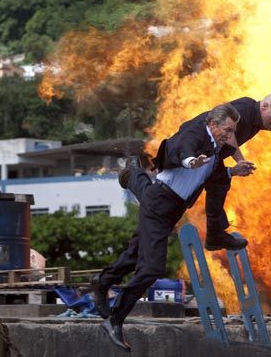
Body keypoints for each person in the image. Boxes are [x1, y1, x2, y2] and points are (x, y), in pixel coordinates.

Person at [95, 103, 253, 350]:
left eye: (233, 131)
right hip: (160, 204)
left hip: (170, 209)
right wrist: (191, 161)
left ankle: (102, 281)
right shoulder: (197, 134)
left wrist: (234, 171)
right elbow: (182, 149)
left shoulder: (215, 150)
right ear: (213, 124)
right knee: (151, 268)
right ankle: (114, 319)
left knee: (133, 257)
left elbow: (210, 177)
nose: (231, 136)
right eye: (228, 130)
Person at [121, 93, 271, 248]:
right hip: (194, 149)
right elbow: (227, 133)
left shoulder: (260, 119)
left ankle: (215, 235)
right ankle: (134, 176)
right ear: (264, 106)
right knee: (162, 197)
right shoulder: (245, 108)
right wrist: (240, 160)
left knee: (216, 185)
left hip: (209, 155)